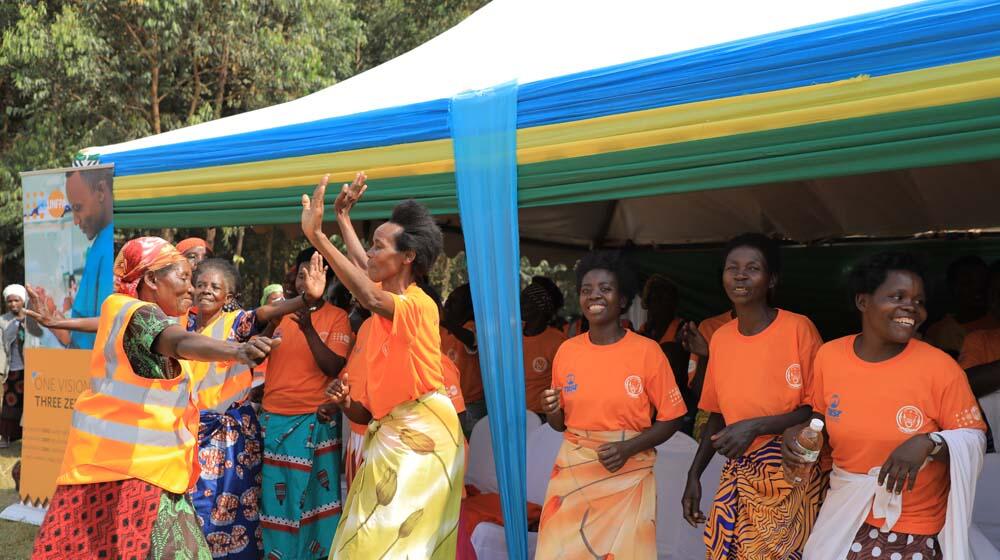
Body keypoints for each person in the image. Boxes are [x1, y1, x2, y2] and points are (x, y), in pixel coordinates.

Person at [32, 237, 277, 559]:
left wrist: (58, 322)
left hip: (123, 469)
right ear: (150, 279)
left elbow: (117, 325)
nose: (191, 289)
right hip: (133, 475)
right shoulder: (139, 314)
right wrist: (237, 349)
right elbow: (179, 342)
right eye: (184, 278)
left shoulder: (124, 310)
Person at [784, 252, 988, 560]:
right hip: (843, 518)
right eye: (898, 296)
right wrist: (800, 434)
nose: (911, 307)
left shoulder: (940, 368)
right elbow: (821, 415)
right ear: (863, 301)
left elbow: (974, 438)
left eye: (919, 301)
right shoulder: (829, 356)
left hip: (913, 530)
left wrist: (929, 442)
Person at [304, 172, 464, 559]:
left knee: (388, 544)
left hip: (424, 435)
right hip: (392, 431)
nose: (371, 254)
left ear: (407, 257)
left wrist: (319, 237)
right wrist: (342, 218)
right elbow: (366, 270)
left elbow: (368, 291)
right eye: (371, 246)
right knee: (365, 537)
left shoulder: (418, 304)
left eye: (380, 247)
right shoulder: (383, 307)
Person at [681, 233, 824, 559]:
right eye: (732, 268)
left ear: (772, 278)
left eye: (753, 268)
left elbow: (819, 408)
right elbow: (716, 413)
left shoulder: (798, 328)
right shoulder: (720, 339)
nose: (741, 275)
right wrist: (694, 475)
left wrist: (755, 426)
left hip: (791, 473)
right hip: (739, 473)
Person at [536, 250, 687, 558]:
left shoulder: (648, 352)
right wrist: (552, 410)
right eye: (587, 290)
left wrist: (628, 448)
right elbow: (560, 424)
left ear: (622, 300)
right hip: (573, 474)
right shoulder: (567, 351)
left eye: (605, 288)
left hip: (628, 475)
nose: (595, 296)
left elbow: (672, 417)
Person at [187, 257, 327, 559]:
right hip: (190, 430)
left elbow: (268, 311)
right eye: (200, 285)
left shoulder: (238, 322)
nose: (206, 290)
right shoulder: (183, 324)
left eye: (215, 286)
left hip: (231, 437)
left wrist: (305, 298)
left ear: (229, 296)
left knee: (231, 506)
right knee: (192, 508)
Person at [259, 248, 352, 560]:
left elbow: (332, 366)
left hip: (315, 422)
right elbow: (253, 352)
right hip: (273, 421)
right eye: (301, 275)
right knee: (274, 503)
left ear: (325, 281)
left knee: (314, 504)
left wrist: (309, 328)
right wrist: (275, 318)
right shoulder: (279, 313)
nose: (305, 282)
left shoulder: (338, 318)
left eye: (313, 276)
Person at [64, 168, 114, 349]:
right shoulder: (101, 243)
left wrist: (54, 322)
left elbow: (105, 321)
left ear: (101, 191)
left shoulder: (107, 247)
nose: (76, 221)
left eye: (78, 208)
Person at [925, 256, 997, 356]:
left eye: (983, 281)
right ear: (953, 288)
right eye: (968, 282)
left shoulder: (996, 321)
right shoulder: (940, 332)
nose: (978, 288)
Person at [441, 283, 483, 437]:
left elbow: (472, 340)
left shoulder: (471, 327)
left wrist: (446, 321)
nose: (448, 306)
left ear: (468, 307)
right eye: (449, 301)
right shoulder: (444, 330)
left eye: (454, 302)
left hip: (470, 404)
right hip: (447, 400)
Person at [0, 285, 39, 448]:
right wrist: (1, 370)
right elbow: (1, 346)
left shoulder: (33, 318)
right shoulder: (3, 320)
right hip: (14, 369)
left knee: (33, 403)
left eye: (16, 300)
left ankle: (33, 438)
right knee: (11, 404)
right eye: (10, 301)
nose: (13, 304)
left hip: (33, 369)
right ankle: (8, 436)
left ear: (23, 300)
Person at [521, 280, 565, 421]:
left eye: (524, 302)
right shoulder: (512, 338)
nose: (519, 305)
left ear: (538, 307)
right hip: (517, 415)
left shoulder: (557, 341)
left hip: (545, 418)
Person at [638, 273, 683, 344]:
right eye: (654, 300)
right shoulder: (643, 330)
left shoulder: (682, 330)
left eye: (664, 300)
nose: (657, 305)